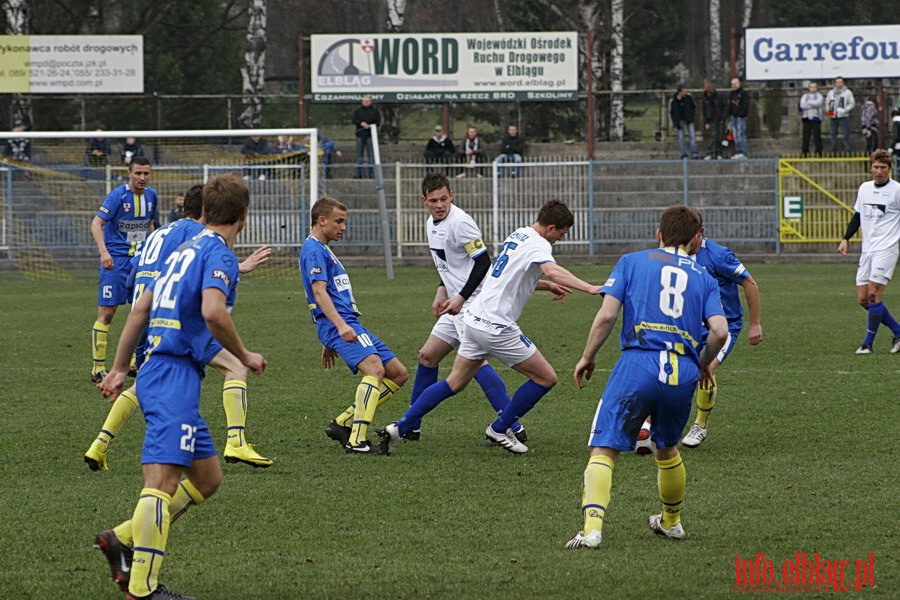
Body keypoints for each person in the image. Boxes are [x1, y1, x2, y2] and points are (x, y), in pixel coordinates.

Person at [94, 172, 266, 600]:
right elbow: (213, 312)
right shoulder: (220, 255)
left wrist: (118, 368)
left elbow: (138, 311)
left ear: (204, 211)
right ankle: (143, 589)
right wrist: (244, 356)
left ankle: (119, 539)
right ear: (243, 215)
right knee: (161, 482)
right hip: (173, 373)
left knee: (206, 478)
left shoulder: (181, 248)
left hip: (160, 368)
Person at [378, 200, 602, 456]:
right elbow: (552, 271)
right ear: (551, 228)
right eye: (560, 235)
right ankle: (501, 427)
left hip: (473, 319)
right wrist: (591, 288)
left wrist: (543, 286)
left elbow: (507, 277)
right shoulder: (540, 244)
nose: (558, 240)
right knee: (546, 378)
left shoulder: (518, 234)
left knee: (454, 382)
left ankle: (399, 427)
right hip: (496, 326)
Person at [565, 205, 728, 549]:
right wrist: (701, 363)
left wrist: (587, 356)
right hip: (681, 369)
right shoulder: (706, 278)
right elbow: (719, 331)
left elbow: (607, 316)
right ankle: (672, 522)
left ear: (659, 234)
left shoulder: (631, 261)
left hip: (638, 362)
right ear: (694, 240)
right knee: (667, 448)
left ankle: (592, 529)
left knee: (605, 446)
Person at [85, 184, 273, 473]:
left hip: (145, 313)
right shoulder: (197, 236)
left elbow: (133, 277)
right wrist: (237, 266)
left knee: (146, 380)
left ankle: (99, 444)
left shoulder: (159, 232)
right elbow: (205, 272)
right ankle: (236, 440)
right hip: (175, 318)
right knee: (235, 366)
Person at [397, 172, 526, 443]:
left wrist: (461, 297)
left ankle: (512, 425)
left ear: (451, 195)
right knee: (428, 357)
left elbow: (483, 263)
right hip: (455, 305)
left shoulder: (461, 223)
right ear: (424, 201)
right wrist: (441, 291)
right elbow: (446, 264)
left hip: (473, 305)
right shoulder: (431, 223)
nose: (440, 204)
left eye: (444, 198)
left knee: (475, 365)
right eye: (434, 200)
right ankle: (412, 425)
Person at [300, 197, 408, 454]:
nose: (343, 227)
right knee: (374, 370)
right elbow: (319, 292)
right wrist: (337, 327)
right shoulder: (313, 249)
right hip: (341, 323)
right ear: (321, 220)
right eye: (339, 221)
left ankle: (343, 423)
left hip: (347, 322)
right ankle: (356, 441)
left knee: (398, 373)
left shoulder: (323, 249)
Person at [679, 227, 763, 448]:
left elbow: (750, 283)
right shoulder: (677, 253)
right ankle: (650, 425)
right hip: (690, 326)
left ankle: (700, 425)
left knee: (707, 369)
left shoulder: (718, 255)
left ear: (700, 232)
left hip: (724, 327)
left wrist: (755, 324)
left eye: (689, 236)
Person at [89, 156, 158, 383]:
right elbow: (96, 223)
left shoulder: (152, 196)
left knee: (140, 312)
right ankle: (98, 367)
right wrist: (104, 252)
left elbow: (149, 224)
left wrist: (152, 249)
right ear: (129, 173)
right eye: (138, 173)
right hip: (116, 262)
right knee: (107, 313)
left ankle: (132, 363)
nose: (142, 177)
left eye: (146, 173)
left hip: (140, 263)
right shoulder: (117, 196)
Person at [837, 149, 900, 355]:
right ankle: (898, 332)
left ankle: (867, 344)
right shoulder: (864, 189)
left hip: (887, 248)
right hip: (867, 250)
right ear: (870, 167)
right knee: (863, 299)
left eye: (883, 168)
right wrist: (846, 238)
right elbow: (858, 215)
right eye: (876, 167)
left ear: (890, 169)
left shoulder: (897, 190)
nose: (879, 171)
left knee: (874, 293)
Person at [352, 95, 381, 178]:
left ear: (370, 102)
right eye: (364, 101)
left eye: (367, 101)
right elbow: (354, 120)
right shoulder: (358, 111)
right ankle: (359, 174)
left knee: (371, 156)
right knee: (359, 156)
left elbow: (378, 122)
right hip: (360, 136)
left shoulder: (375, 111)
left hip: (370, 136)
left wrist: (370, 125)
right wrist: (361, 123)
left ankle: (371, 174)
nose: (365, 103)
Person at [826, 76, 855, 154]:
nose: (839, 84)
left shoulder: (847, 92)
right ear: (835, 83)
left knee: (845, 134)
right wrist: (830, 112)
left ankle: (847, 150)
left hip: (843, 116)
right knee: (833, 134)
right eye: (837, 82)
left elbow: (852, 103)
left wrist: (844, 110)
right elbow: (827, 104)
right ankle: (833, 150)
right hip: (833, 116)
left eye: (840, 82)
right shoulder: (831, 93)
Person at [670, 85, 700, 159]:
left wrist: (691, 116)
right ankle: (684, 153)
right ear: (680, 92)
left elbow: (693, 107)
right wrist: (675, 123)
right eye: (684, 91)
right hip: (679, 120)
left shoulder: (688, 98)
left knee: (692, 136)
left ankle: (694, 153)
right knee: (681, 138)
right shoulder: (673, 101)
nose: (685, 93)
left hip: (688, 120)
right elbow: (672, 113)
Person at [701, 81, 727, 160]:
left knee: (721, 137)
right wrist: (706, 122)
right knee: (712, 137)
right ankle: (711, 152)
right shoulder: (705, 99)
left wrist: (723, 118)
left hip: (720, 119)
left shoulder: (719, 96)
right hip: (711, 119)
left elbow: (725, 107)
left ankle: (720, 152)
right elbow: (705, 111)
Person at [799, 82, 825, 157]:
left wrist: (809, 103)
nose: (813, 89)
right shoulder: (804, 96)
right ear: (809, 88)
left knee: (817, 134)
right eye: (811, 87)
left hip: (816, 117)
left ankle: (819, 150)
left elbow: (818, 103)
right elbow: (802, 105)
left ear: (817, 88)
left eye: (814, 87)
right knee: (806, 134)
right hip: (806, 117)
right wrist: (812, 105)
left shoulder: (819, 96)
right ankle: (805, 150)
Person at [727, 77, 750, 159]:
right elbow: (729, 106)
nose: (734, 86)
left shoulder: (743, 93)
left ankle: (743, 152)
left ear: (739, 84)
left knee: (741, 134)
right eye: (732, 84)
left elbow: (745, 106)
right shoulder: (731, 94)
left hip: (741, 117)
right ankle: (738, 151)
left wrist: (740, 114)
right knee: (735, 136)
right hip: (733, 117)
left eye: (735, 84)